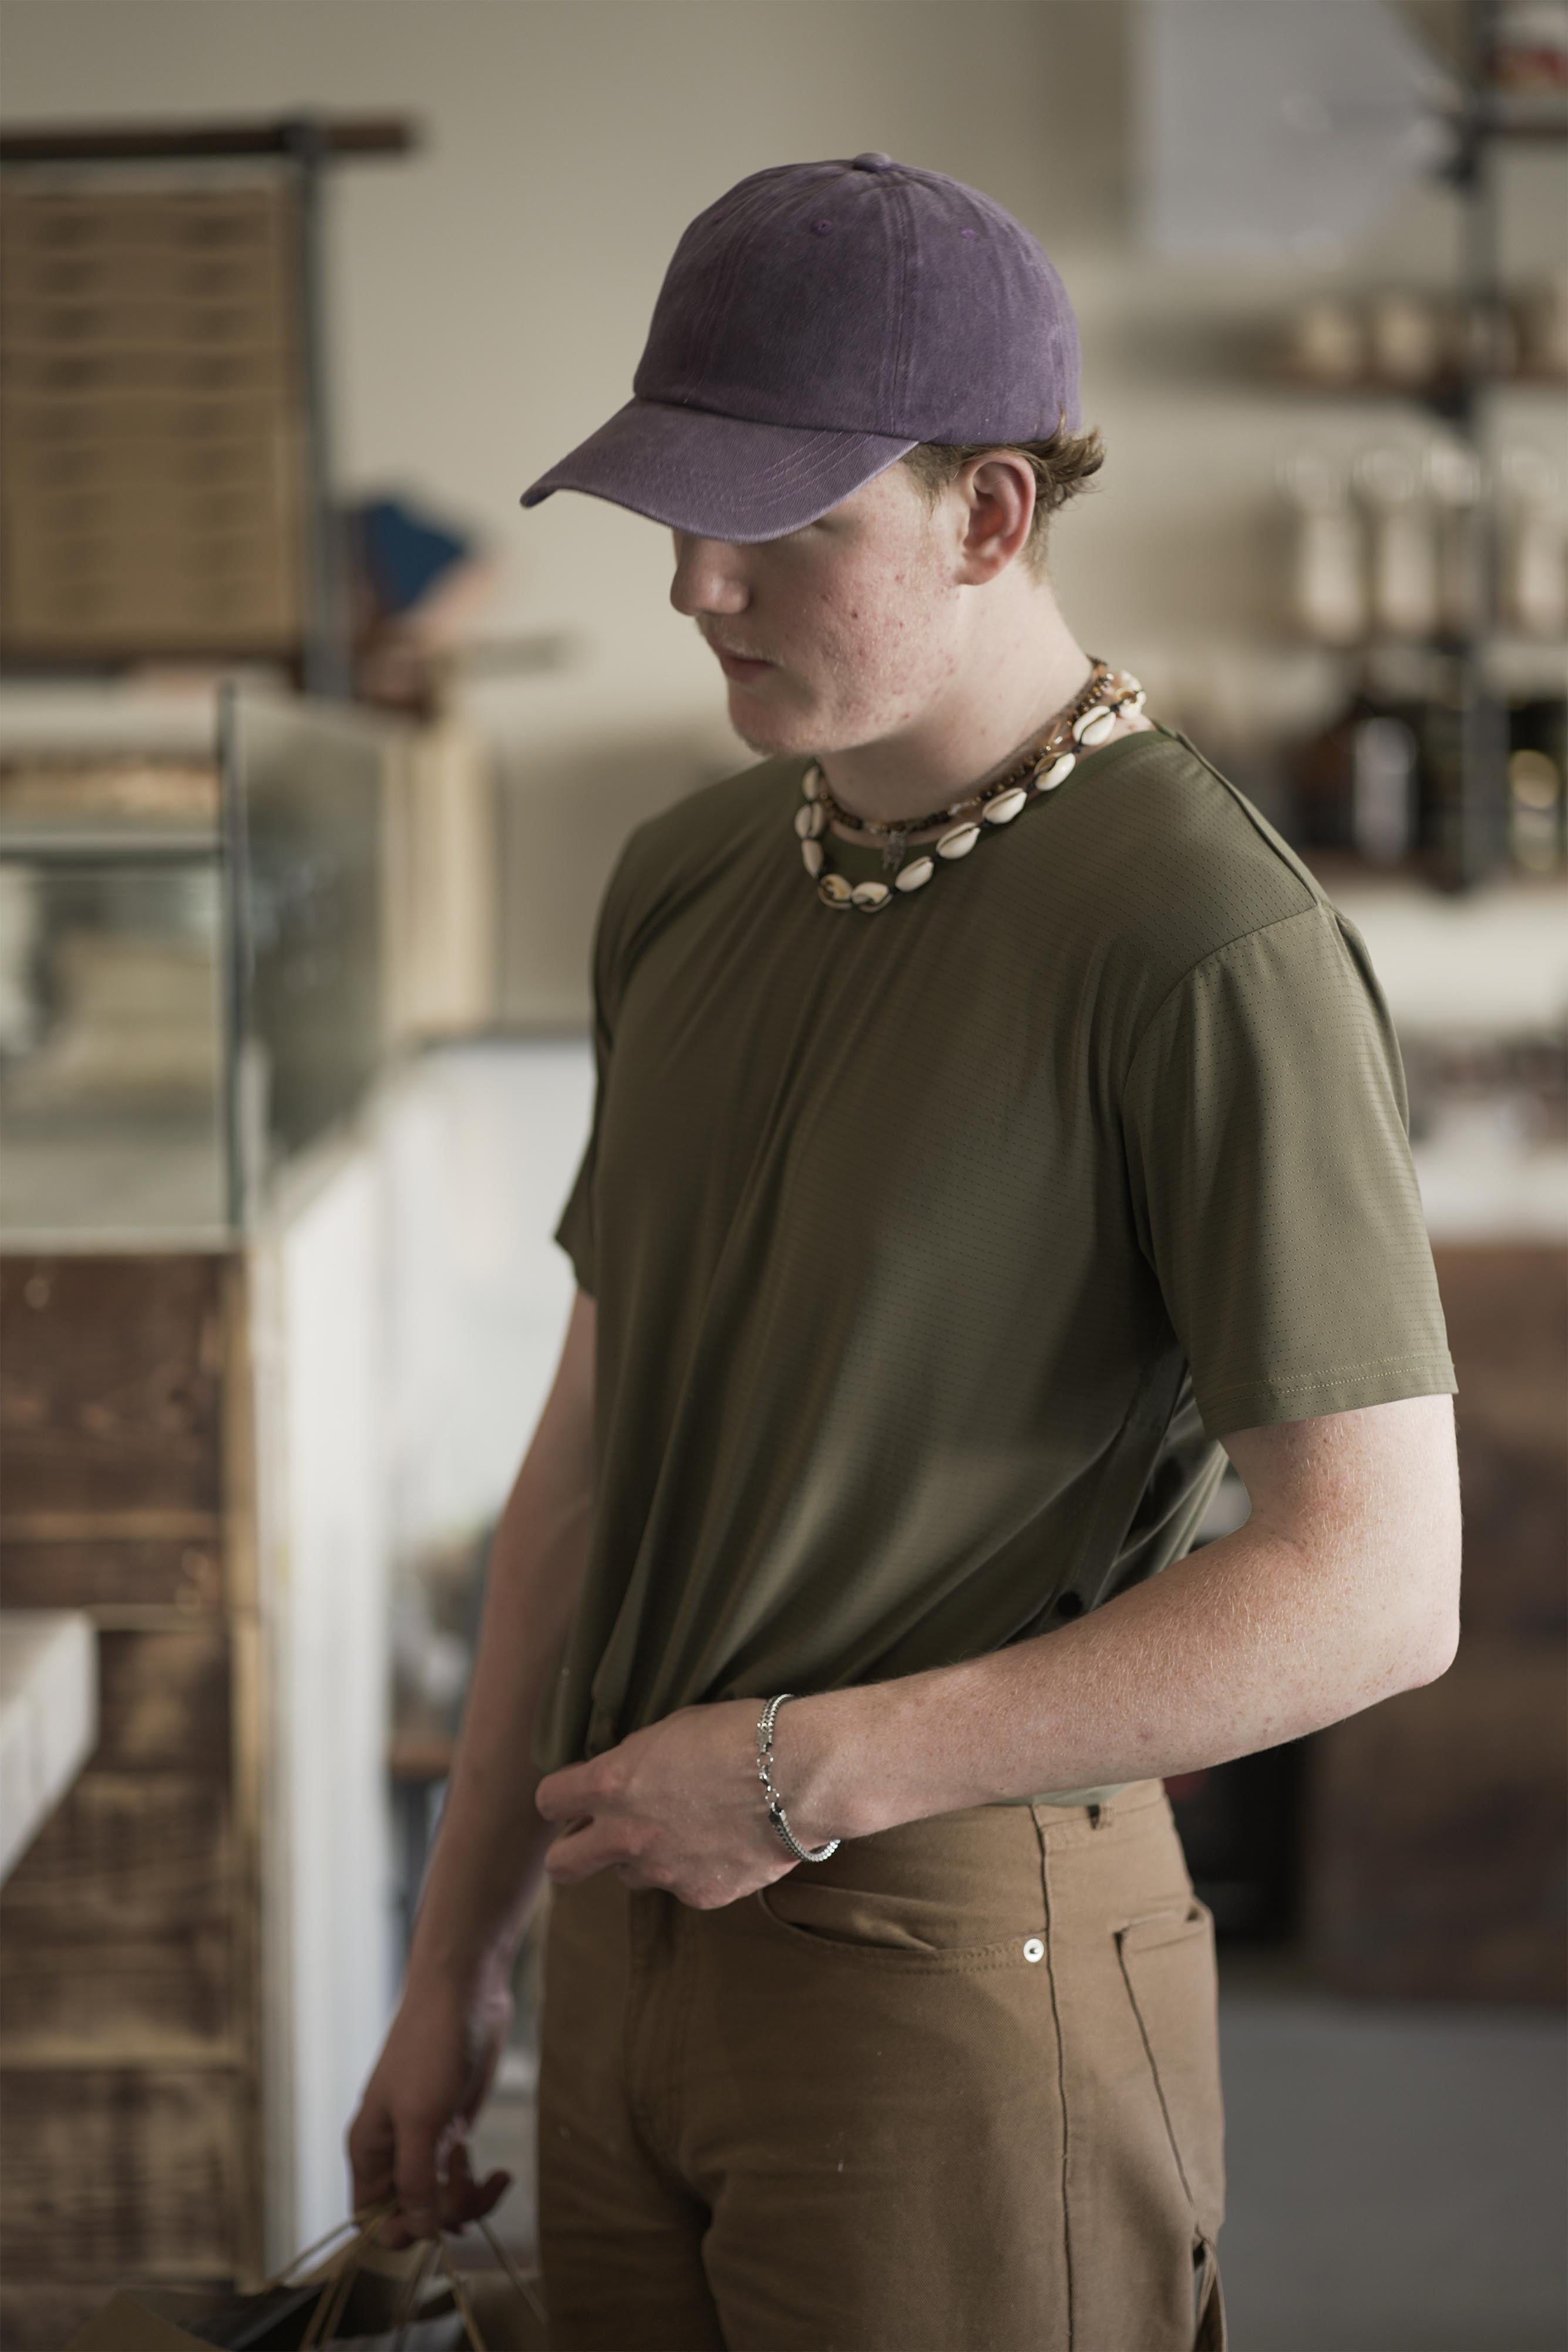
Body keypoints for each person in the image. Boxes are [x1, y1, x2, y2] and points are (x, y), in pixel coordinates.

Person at [349, 154, 1460, 2352]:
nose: (698, 586)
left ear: (990, 514)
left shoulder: (1205, 940)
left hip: (951, 1948)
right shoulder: (687, 876)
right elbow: (591, 1444)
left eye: (779, 526)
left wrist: (805, 1772)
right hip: (625, 1927)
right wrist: (457, 1946)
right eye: (678, 516)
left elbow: (1378, 1585)